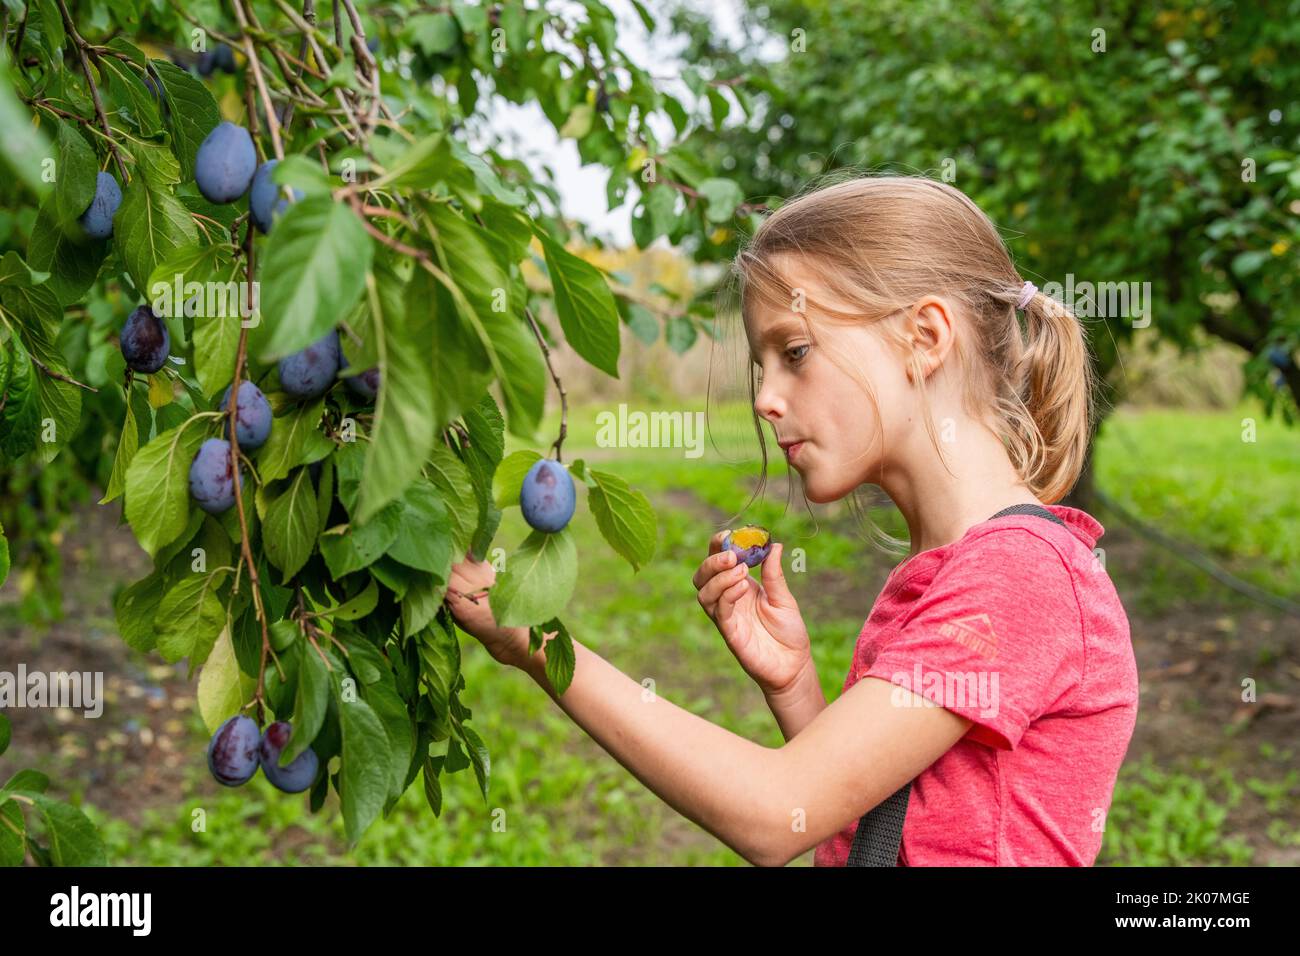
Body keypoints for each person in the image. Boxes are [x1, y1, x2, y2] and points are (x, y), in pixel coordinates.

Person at [446, 174, 1139, 867]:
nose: (765, 400)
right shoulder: (948, 574)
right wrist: (795, 686)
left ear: (925, 337)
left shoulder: (1019, 577)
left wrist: (536, 648)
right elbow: (873, 824)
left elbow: (775, 816)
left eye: (795, 353)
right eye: (760, 367)